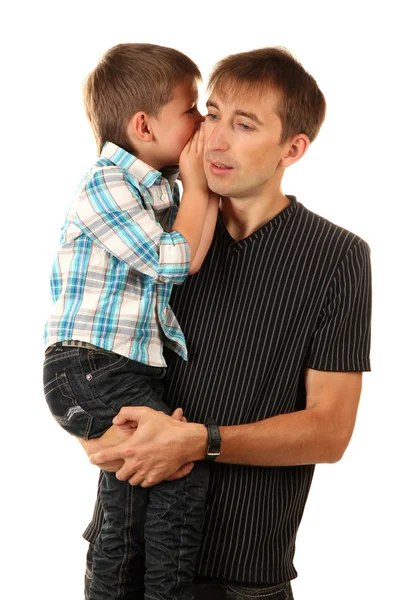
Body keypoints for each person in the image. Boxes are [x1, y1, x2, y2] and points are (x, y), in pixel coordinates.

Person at [85, 46, 372, 599]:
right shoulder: (156, 232)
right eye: (211, 114)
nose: (214, 140)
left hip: (247, 571)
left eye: (243, 125)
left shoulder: (338, 256)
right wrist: (101, 433)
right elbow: (86, 349)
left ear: (293, 148)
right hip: (128, 553)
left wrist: (198, 442)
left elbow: (331, 431)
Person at [43, 43, 219, 600]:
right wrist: (198, 184)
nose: (201, 119)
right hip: (88, 365)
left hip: (117, 366)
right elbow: (178, 259)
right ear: (143, 125)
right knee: (176, 472)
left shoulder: (156, 190)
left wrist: (198, 187)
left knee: (127, 500)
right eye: (191, 108)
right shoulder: (106, 185)